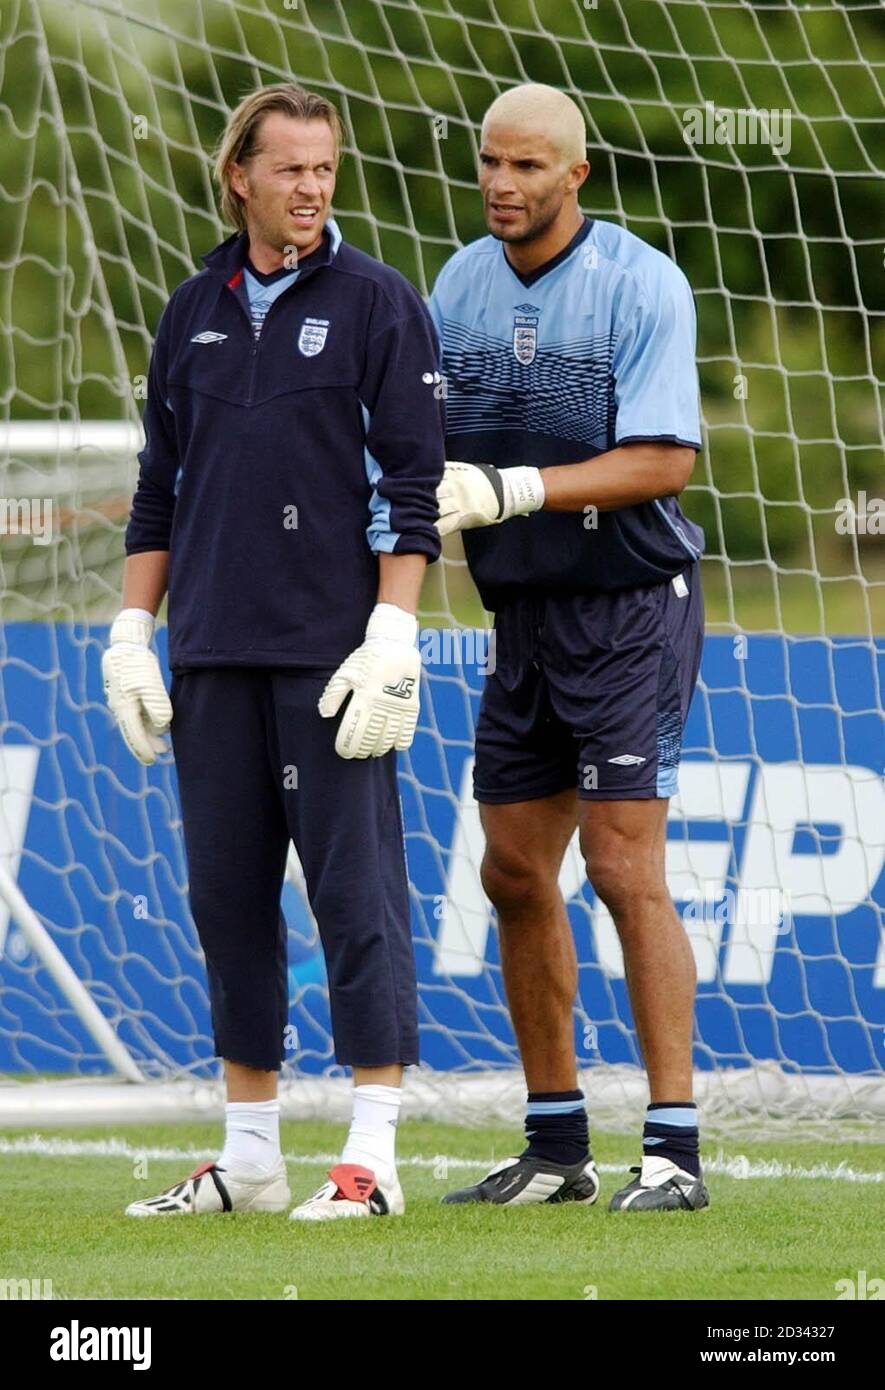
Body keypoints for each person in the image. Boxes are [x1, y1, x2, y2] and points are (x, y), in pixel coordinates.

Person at [103, 83, 444, 1220]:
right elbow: (160, 489)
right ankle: (249, 1159)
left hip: (332, 659)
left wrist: (394, 629)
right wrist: (132, 632)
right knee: (228, 901)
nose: (310, 189)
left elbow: (412, 489)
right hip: (209, 657)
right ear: (237, 175)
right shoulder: (190, 306)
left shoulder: (379, 305)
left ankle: (372, 1159)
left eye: (325, 169)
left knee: (357, 899)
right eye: (290, 169)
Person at [427, 83, 709, 1212]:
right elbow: (422, 443)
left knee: (622, 868)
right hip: (522, 616)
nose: (503, 183)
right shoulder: (456, 282)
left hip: (629, 605)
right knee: (507, 872)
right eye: (491, 163)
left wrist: (512, 488)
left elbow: (663, 461)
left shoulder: (642, 283)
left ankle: (676, 1150)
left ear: (575, 177)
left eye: (529, 167)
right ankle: (555, 1146)